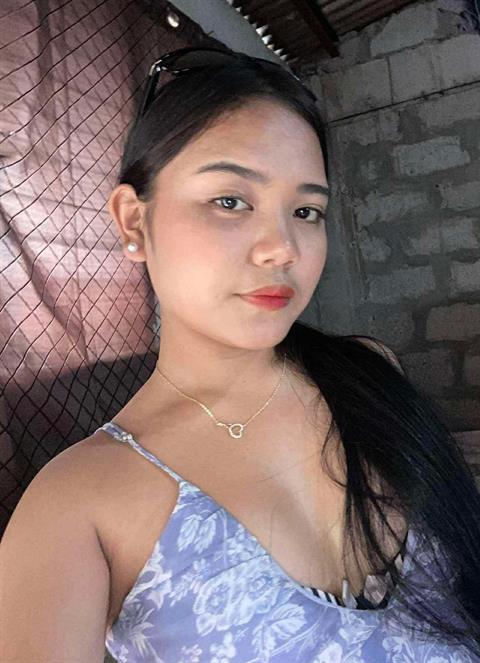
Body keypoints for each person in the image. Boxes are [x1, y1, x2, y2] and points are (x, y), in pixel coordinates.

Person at [1, 46, 479, 663]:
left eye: (306, 211)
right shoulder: (77, 505)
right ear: (132, 222)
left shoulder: (366, 374)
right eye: (230, 200)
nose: (283, 248)